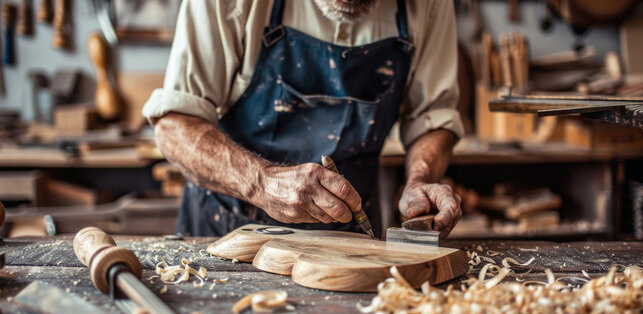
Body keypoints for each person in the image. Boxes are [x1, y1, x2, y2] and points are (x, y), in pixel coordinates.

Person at [143, 0, 463, 237]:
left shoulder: (427, 5)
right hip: (228, 233)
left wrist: (420, 179)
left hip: (351, 239)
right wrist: (261, 182)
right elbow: (175, 125)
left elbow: (431, 117)